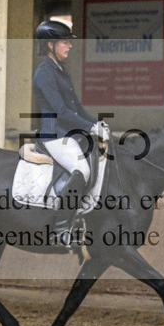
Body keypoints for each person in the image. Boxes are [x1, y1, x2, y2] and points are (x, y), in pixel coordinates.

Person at [32, 19, 108, 245]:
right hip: (55, 135)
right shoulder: (44, 73)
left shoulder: (61, 70)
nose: (69, 46)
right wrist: (89, 128)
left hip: (69, 133)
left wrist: (97, 123)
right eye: (64, 42)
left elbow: (76, 107)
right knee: (81, 170)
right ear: (50, 45)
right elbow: (61, 111)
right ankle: (61, 228)